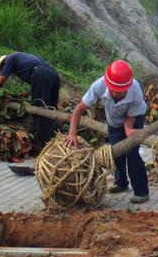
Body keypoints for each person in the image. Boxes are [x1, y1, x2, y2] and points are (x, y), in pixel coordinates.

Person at [64, 60, 149, 203]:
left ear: (127, 87)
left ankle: (141, 191)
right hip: (113, 120)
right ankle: (121, 182)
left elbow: (130, 116)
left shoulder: (135, 89)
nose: (116, 93)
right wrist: (72, 133)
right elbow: (79, 110)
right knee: (116, 152)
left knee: (132, 153)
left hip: (135, 117)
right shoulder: (99, 85)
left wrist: (128, 130)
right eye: (113, 89)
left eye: (120, 91)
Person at [0, 52, 60, 152]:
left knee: (39, 110)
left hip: (42, 75)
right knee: (51, 110)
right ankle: (56, 140)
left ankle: (46, 146)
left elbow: (1, 79)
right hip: (53, 74)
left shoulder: (10, 59)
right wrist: (25, 94)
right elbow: (39, 80)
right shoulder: (25, 59)